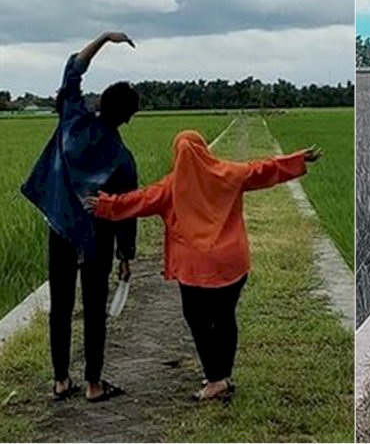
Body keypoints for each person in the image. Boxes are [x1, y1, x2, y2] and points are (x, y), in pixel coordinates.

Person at [85, 130, 322, 401]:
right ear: (204, 150)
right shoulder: (229, 173)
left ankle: (216, 379)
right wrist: (297, 159)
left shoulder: (170, 187)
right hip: (231, 264)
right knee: (224, 317)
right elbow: (264, 170)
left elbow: (138, 201)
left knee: (198, 320)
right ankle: (223, 373)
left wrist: (104, 204)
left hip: (194, 268)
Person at [21, 32, 140, 402]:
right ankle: (93, 384)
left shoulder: (73, 120)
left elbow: (72, 71)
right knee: (93, 308)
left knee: (61, 305)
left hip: (61, 228)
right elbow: (125, 210)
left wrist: (104, 38)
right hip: (97, 237)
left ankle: (60, 381)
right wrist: (126, 256)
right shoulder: (122, 158)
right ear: (128, 118)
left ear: (101, 102)